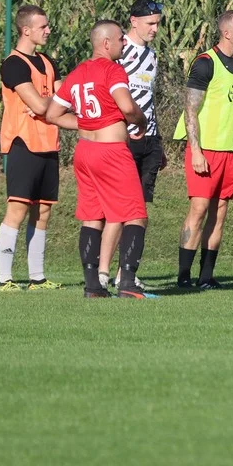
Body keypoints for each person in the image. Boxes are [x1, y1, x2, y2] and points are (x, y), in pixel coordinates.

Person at [45, 20, 153, 299]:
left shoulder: (78, 73)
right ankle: (127, 282)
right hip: (112, 152)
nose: (123, 43)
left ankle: (93, 286)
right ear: (106, 43)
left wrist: (86, 122)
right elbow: (127, 106)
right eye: (120, 39)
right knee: (136, 215)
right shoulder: (113, 69)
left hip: (85, 152)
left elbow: (52, 115)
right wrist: (140, 121)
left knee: (92, 216)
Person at [173, 10, 233, 290]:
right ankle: (183, 276)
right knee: (199, 208)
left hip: (230, 150)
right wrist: (196, 151)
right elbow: (190, 110)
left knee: (219, 212)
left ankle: (206, 277)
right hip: (205, 149)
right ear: (226, 32)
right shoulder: (206, 63)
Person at [98, 0, 165, 289]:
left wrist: (157, 141)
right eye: (150, 24)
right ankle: (101, 272)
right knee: (119, 210)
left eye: (158, 24)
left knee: (139, 210)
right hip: (121, 141)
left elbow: (148, 99)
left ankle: (127, 272)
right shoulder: (117, 50)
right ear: (133, 21)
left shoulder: (151, 56)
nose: (155, 30)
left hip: (148, 140)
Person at [0, 5, 63, 291]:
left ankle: (37, 277)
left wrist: (49, 106)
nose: (48, 30)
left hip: (49, 143)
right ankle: (6, 279)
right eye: (43, 26)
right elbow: (38, 103)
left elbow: (64, 99)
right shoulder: (14, 64)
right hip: (23, 143)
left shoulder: (47, 61)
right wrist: (50, 105)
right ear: (26, 30)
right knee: (18, 208)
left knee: (44, 211)